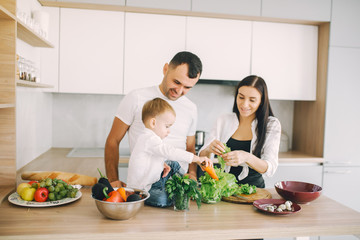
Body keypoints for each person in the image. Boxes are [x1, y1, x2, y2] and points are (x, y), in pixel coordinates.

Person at [105, 51, 202, 188]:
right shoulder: (136, 98)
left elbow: (190, 147)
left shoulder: (191, 108)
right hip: (149, 181)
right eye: (176, 82)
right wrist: (113, 180)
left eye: (187, 87)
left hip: (179, 185)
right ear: (166, 69)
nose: (179, 91)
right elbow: (112, 141)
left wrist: (192, 174)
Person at [199, 75, 281, 188]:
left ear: (261, 101)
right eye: (241, 97)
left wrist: (246, 157)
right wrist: (209, 149)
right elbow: (203, 159)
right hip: (223, 188)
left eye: (252, 100)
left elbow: (270, 168)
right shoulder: (224, 120)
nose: (244, 104)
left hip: (253, 191)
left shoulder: (271, 124)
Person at [127, 98, 212, 207]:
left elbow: (148, 160)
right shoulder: (149, 138)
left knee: (172, 164)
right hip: (143, 189)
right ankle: (180, 192)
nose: (169, 131)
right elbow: (169, 151)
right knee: (163, 200)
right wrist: (197, 159)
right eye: (167, 126)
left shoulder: (148, 139)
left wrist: (161, 164)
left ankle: (184, 186)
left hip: (154, 182)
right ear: (153, 122)